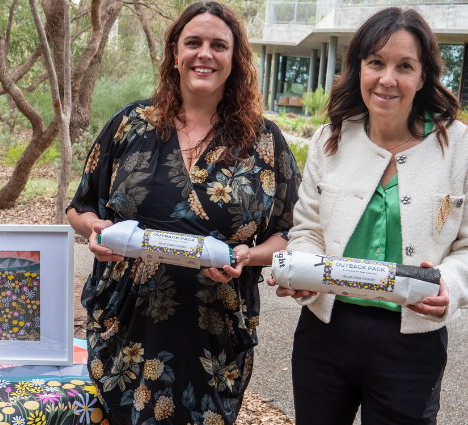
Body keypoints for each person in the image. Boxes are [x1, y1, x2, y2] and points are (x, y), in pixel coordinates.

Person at [66, 2, 301, 424]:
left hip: (213, 333)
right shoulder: (130, 125)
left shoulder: (265, 142)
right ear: (175, 52)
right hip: (128, 328)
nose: (204, 54)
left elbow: (287, 233)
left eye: (218, 45)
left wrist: (250, 256)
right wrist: (95, 232)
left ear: (235, 58)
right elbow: (80, 207)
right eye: (193, 43)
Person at [268, 8, 468, 424]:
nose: (387, 78)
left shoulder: (460, 147)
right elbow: (307, 228)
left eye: (405, 66)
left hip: (411, 340)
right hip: (326, 331)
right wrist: (302, 274)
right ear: (358, 67)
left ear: (425, 75)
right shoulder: (331, 138)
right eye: (375, 62)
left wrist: (448, 284)